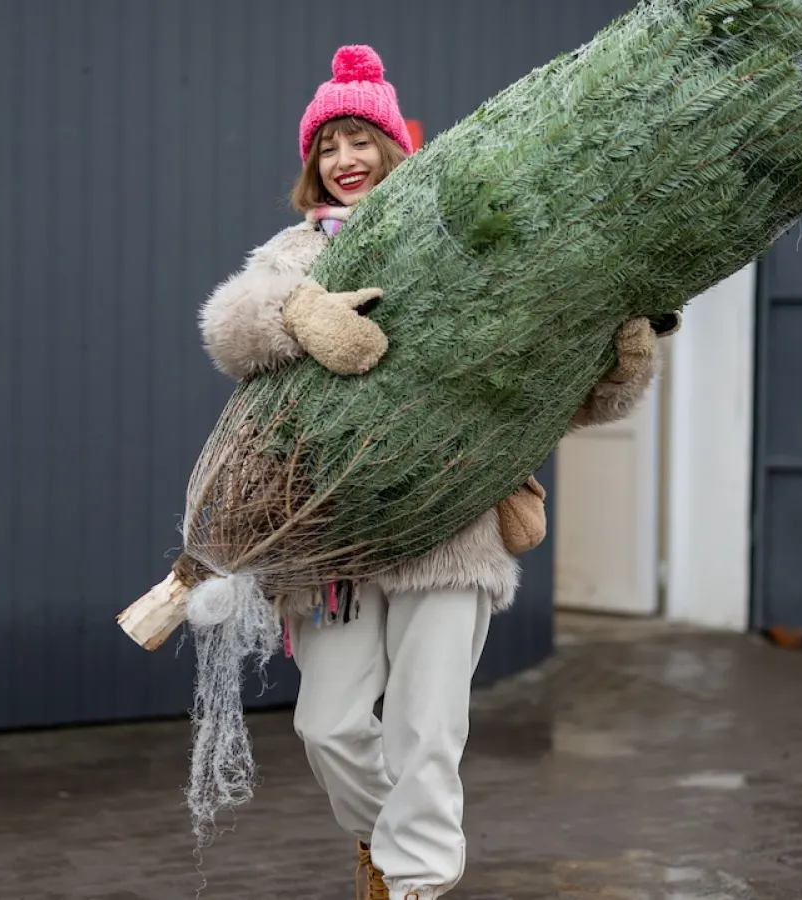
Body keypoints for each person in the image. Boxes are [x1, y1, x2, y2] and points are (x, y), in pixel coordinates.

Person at [196, 44, 674, 900]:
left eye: (360, 141)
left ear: (394, 148)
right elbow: (230, 332)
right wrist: (299, 312)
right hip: (336, 537)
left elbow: (554, 390)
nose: (345, 160)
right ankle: (385, 845)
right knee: (328, 725)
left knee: (427, 727)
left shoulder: (462, 244)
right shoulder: (296, 252)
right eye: (329, 146)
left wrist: (621, 357)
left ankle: (413, 884)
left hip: (452, 523)